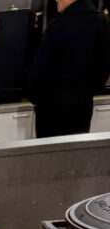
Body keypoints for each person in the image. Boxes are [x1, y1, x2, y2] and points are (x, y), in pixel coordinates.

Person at [28, 0, 110, 138]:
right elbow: (103, 68)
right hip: (82, 105)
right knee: (74, 154)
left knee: (49, 156)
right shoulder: (103, 22)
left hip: (51, 108)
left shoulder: (57, 25)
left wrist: (35, 98)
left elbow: (38, 70)